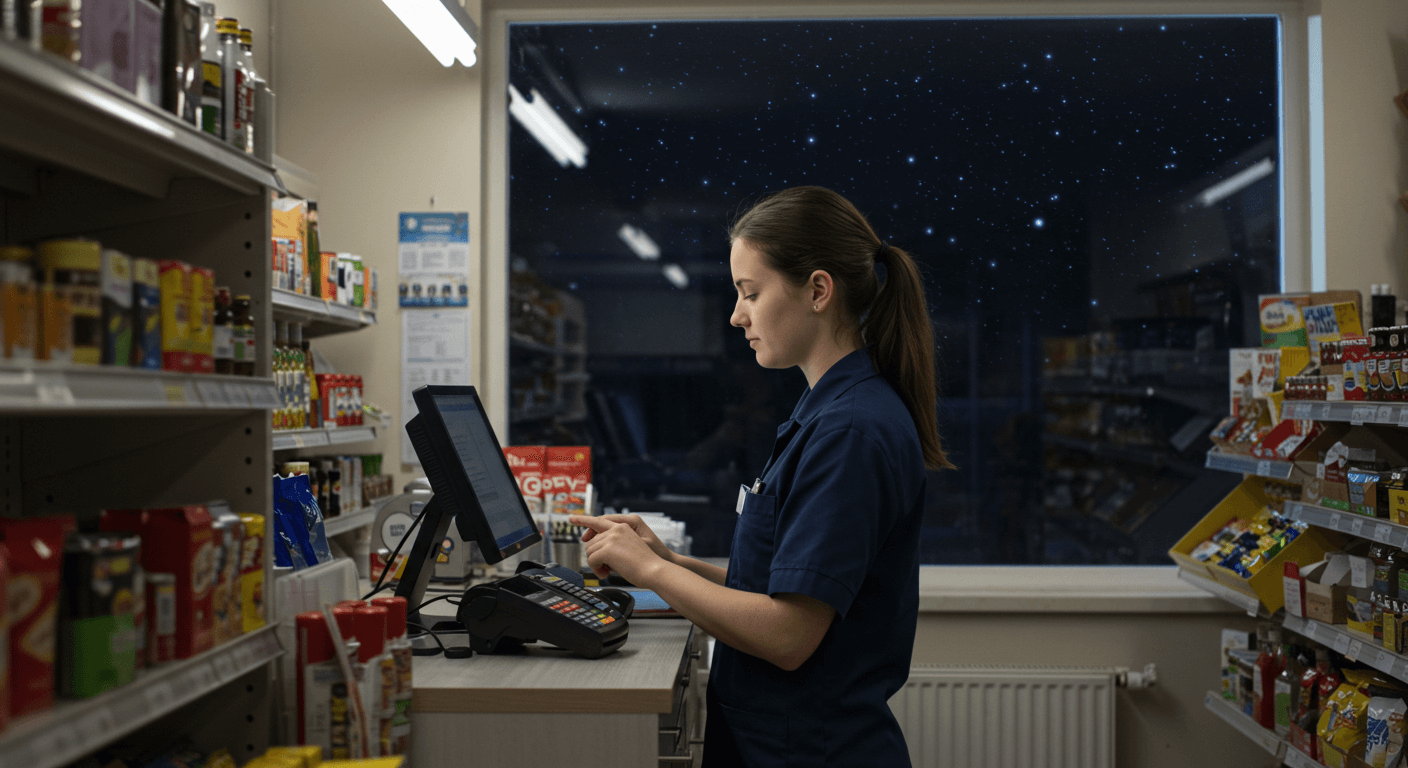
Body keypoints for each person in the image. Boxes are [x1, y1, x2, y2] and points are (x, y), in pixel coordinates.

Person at [569, 186, 951, 767]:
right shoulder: (825, 414)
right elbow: (779, 586)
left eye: (751, 292)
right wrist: (670, 563)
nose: (736, 314)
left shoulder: (850, 432)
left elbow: (789, 635)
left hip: (811, 749)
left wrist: (648, 571)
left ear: (818, 290)